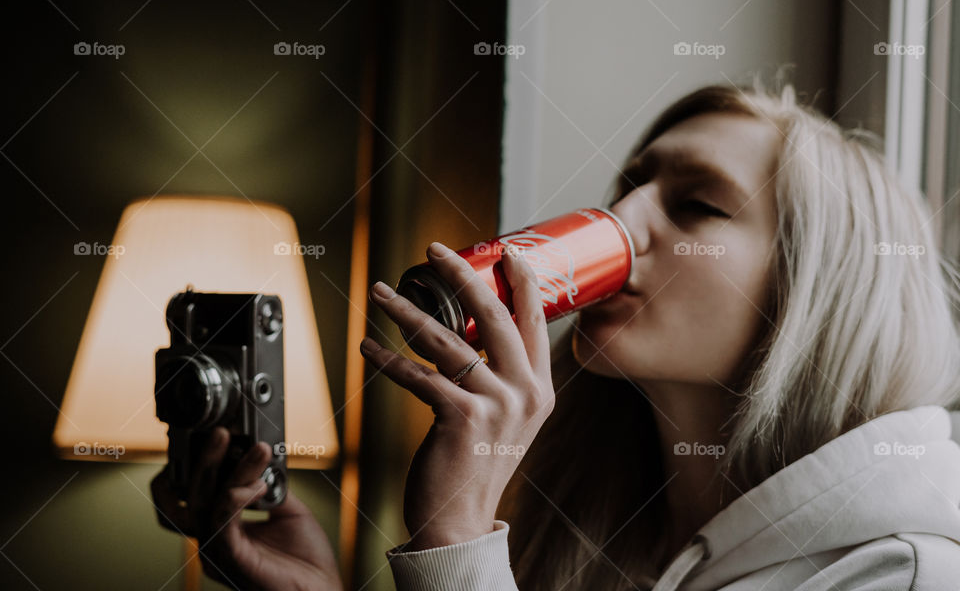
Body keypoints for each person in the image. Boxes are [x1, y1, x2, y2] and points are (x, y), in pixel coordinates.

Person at [151, 77, 960, 590]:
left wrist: (458, 537)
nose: (619, 222)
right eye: (630, 186)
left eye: (698, 206)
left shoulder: (901, 572)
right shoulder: (598, 527)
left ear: (815, 288)